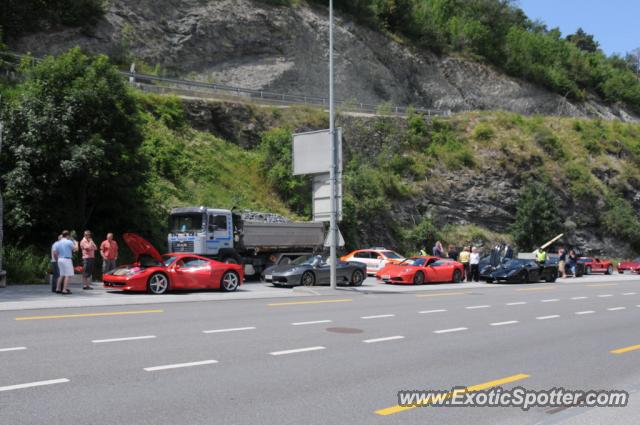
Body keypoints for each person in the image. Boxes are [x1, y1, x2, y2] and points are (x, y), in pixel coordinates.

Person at [53, 230, 78, 294]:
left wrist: (57, 259)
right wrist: (76, 243)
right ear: (67, 235)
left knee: (61, 274)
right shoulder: (69, 242)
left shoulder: (58, 242)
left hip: (60, 259)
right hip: (67, 259)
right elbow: (75, 249)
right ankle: (64, 290)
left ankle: (58, 289)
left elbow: (55, 252)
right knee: (68, 275)